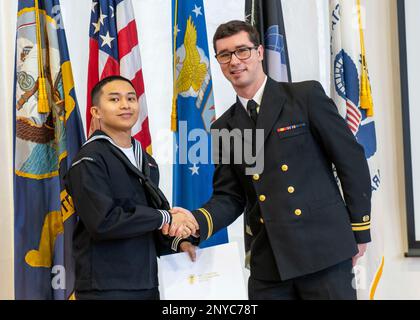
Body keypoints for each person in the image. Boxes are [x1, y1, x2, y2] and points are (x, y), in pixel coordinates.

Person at [167, 20, 372, 300]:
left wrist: (360, 230)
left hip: (323, 252)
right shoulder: (224, 127)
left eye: (242, 50)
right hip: (270, 263)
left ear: (260, 52)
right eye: (225, 54)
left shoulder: (304, 97)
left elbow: (350, 160)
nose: (235, 61)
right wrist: (196, 220)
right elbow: (230, 196)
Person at [65, 75, 197, 300]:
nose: (125, 105)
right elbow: (103, 222)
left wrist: (178, 241)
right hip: (106, 286)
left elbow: (152, 218)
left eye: (131, 98)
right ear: (96, 111)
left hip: (145, 283)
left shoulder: (147, 161)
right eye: (114, 100)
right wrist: (165, 218)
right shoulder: (89, 159)